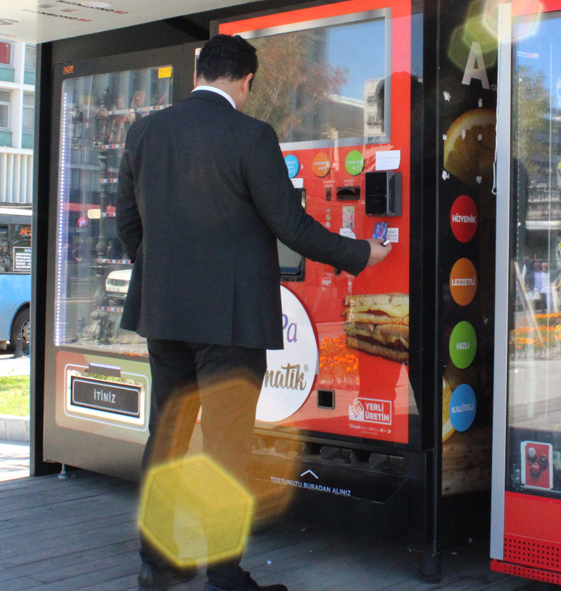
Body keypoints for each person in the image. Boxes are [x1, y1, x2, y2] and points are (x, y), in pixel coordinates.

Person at [116, 34, 391, 591]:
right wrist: (363, 253)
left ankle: (158, 563)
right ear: (245, 81)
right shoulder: (251, 135)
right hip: (231, 322)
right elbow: (291, 226)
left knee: (165, 436)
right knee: (226, 444)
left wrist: (165, 276)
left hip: (163, 316)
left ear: (200, 74)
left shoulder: (144, 132)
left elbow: (128, 223)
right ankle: (224, 573)